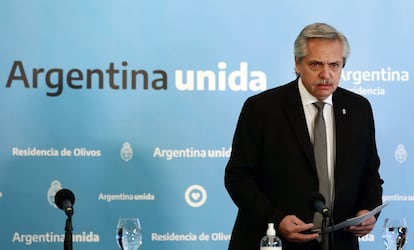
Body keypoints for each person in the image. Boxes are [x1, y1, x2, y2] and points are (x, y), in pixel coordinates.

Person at [224, 22, 384, 250]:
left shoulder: (359, 108)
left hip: (338, 243)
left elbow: (370, 175)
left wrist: (368, 211)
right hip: (273, 241)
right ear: (297, 64)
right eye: (316, 64)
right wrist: (276, 219)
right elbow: (238, 177)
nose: (326, 74)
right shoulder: (262, 108)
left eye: (334, 65)